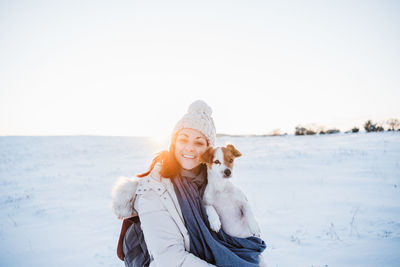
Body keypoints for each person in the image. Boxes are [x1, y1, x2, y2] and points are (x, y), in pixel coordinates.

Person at [114, 100, 266, 267]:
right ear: (174, 143)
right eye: (183, 139)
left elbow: (244, 235)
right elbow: (170, 258)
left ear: (209, 150)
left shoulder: (215, 186)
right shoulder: (153, 190)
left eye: (199, 142)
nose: (189, 148)